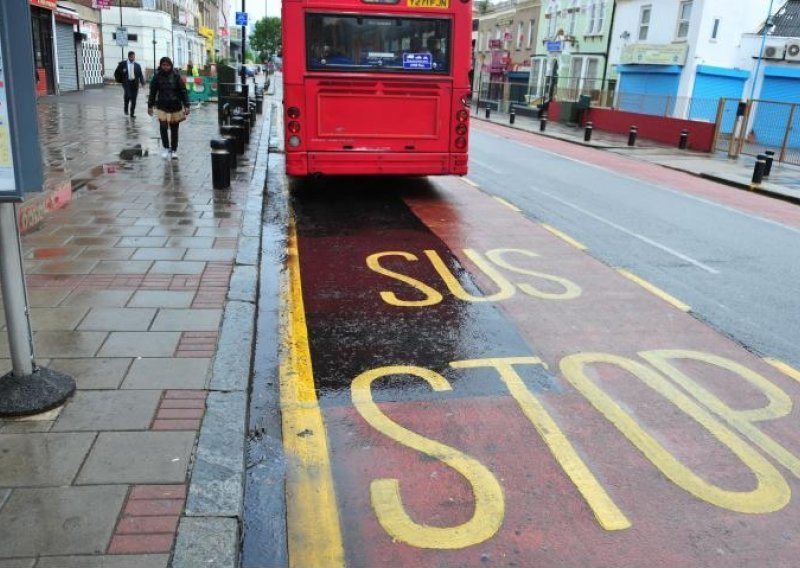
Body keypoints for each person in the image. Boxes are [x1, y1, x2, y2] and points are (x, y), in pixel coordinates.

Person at [147, 57, 190, 160]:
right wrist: (150, 106)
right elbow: (152, 92)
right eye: (164, 65)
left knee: (174, 129)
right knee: (163, 127)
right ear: (161, 65)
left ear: (171, 65)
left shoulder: (176, 76)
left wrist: (187, 105)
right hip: (162, 106)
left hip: (175, 106)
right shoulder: (157, 77)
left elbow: (183, 91)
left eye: (168, 65)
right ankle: (166, 148)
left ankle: (174, 150)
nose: (166, 67)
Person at [115, 51, 145, 117]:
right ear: (129, 57)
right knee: (128, 96)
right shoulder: (123, 64)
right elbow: (117, 72)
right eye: (132, 57)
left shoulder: (137, 65)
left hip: (135, 84)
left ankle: (132, 113)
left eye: (134, 57)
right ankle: (126, 109)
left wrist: (142, 82)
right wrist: (119, 80)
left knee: (134, 99)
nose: (133, 58)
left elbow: (140, 75)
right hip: (126, 83)